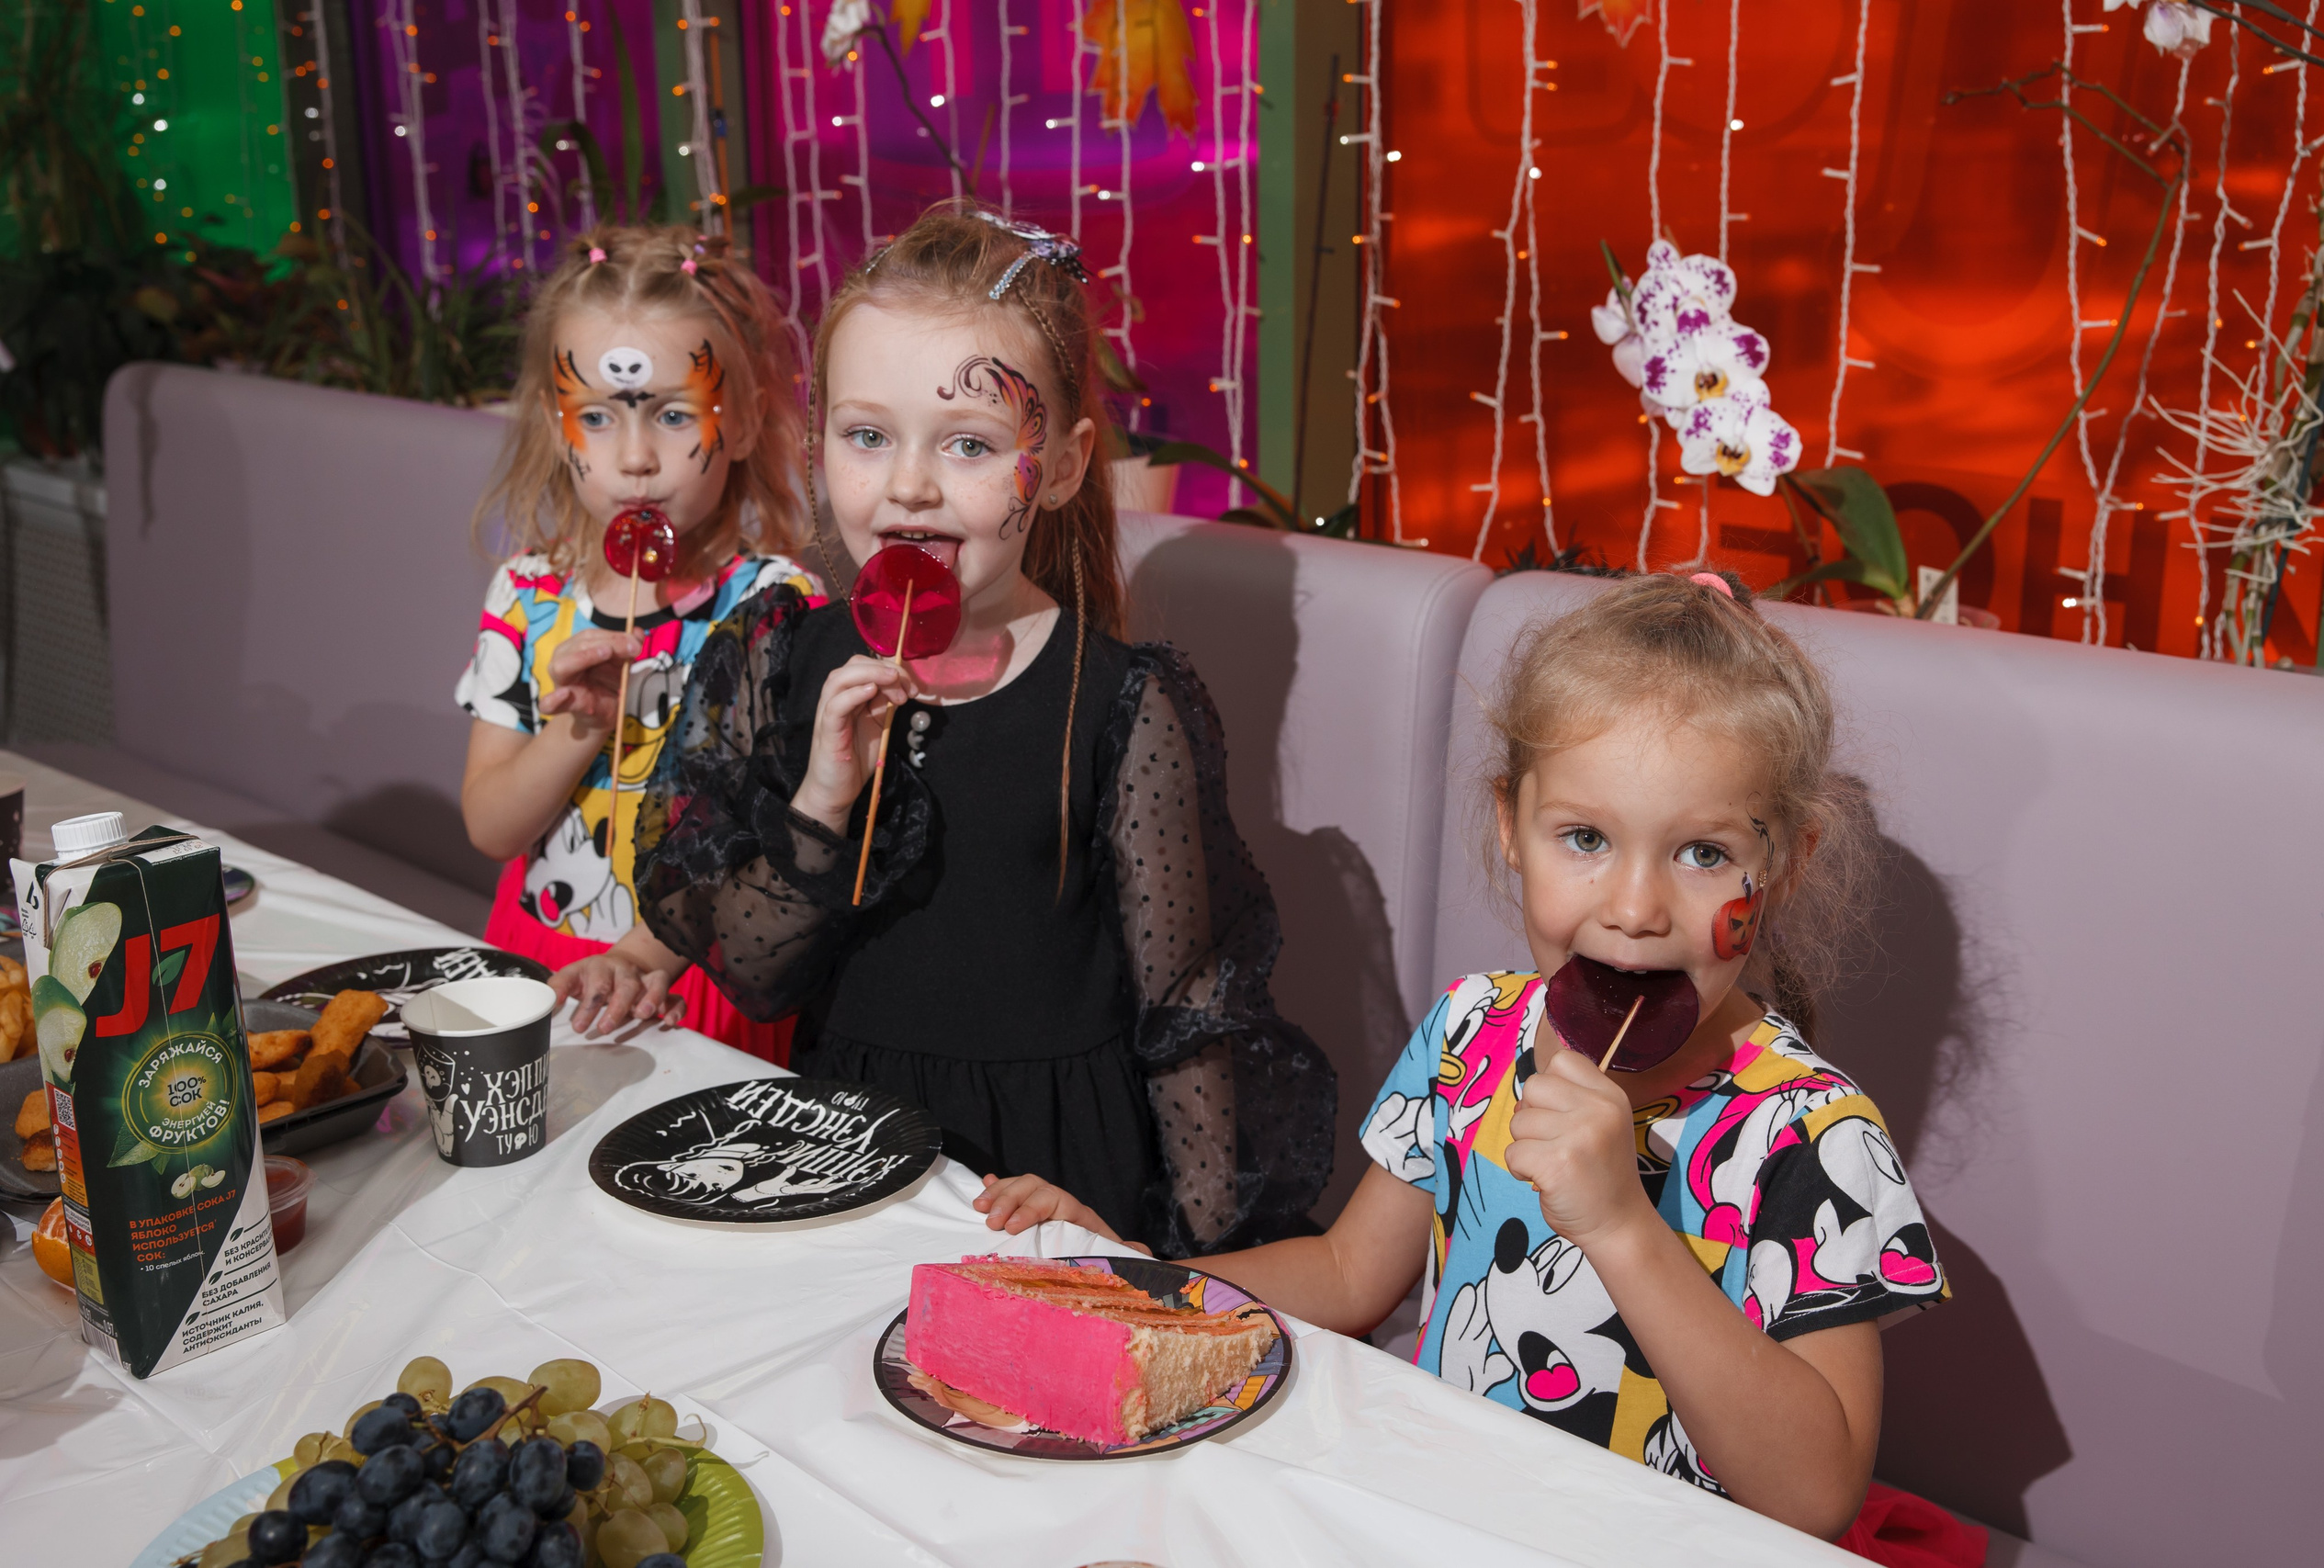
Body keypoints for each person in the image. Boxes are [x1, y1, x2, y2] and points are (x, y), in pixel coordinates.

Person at [976, 571, 1957, 1546]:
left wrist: (1620, 1223)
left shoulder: (1814, 1137)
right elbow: (1348, 1272)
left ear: (1782, 867)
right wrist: (1142, 1278)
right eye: (1584, 838)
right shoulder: (1470, 1036)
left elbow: (1814, 1499)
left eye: (1701, 853)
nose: (1635, 908)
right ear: (1510, 828)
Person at [550, 201, 1337, 1258]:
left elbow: (1187, 1016)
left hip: (1045, 1177)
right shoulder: (780, 655)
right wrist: (825, 795)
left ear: (1056, 467)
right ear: (818, 435)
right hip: (844, 1144)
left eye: (969, 444)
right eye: (868, 436)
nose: (909, 484)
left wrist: (1190, 1269)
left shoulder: (1116, 703)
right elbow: (752, 971)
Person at [456, 225, 818, 1064]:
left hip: (700, 984)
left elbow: (777, 850)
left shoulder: (773, 604)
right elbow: (490, 827)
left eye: (673, 413)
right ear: (557, 426)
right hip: (543, 967)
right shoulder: (529, 594)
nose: (637, 459)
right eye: (599, 417)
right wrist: (578, 726)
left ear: (741, 421)